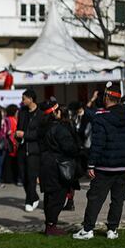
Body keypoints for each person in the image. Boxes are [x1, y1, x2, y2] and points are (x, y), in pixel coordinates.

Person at [74, 84, 125, 241]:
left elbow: (98, 143)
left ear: (107, 97)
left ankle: (88, 229)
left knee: (95, 198)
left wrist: (91, 164)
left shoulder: (101, 116)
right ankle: (112, 229)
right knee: (117, 199)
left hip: (105, 166)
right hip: (123, 165)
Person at [38, 100, 79, 236]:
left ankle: (50, 224)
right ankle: (51, 226)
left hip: (45, 164)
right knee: (58, 196)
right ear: (55, 113)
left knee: (50, 196)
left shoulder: (42, 127)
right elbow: (70, 148)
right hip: (57, 166)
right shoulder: (59, 128)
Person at [16, 89, 41, 211]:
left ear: (31, 99)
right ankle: (34, 196)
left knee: (31, 177)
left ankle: (30, 200)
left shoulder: (40, 113)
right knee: (23, 176)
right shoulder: (22, 112)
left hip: (34, 150)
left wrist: (25, 135)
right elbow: (19, 128)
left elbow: (40, 133)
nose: (22, 101)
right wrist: (17, 135)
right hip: (22, 148)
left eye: (24, 98)